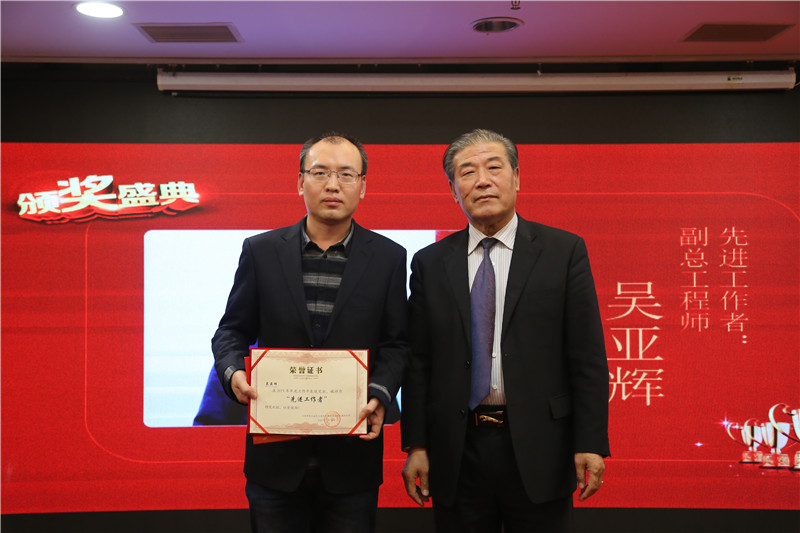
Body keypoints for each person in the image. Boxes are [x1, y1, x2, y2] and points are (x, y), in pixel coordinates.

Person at [400, 129, 609, 532]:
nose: (482, 181)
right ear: (453, 190)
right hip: (457, 449)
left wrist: (590, 442)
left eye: (494, 168)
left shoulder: (563, 252)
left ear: (516, 178)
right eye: (467, 172)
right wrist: (417, 444)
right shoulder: (430, 263)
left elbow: (586, 357)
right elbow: (419, 363)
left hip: (540, 446)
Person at [212, 132, 408, 533]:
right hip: (275, 461)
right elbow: (231, 330)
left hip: (352, 461)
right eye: (320, 173)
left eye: (346, 174)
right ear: (300, 182)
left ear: (362, 186)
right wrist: (233, 373)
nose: (333, 185)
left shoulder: (389, 256)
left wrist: (380, 391)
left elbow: (397, 343)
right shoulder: (261, 251)